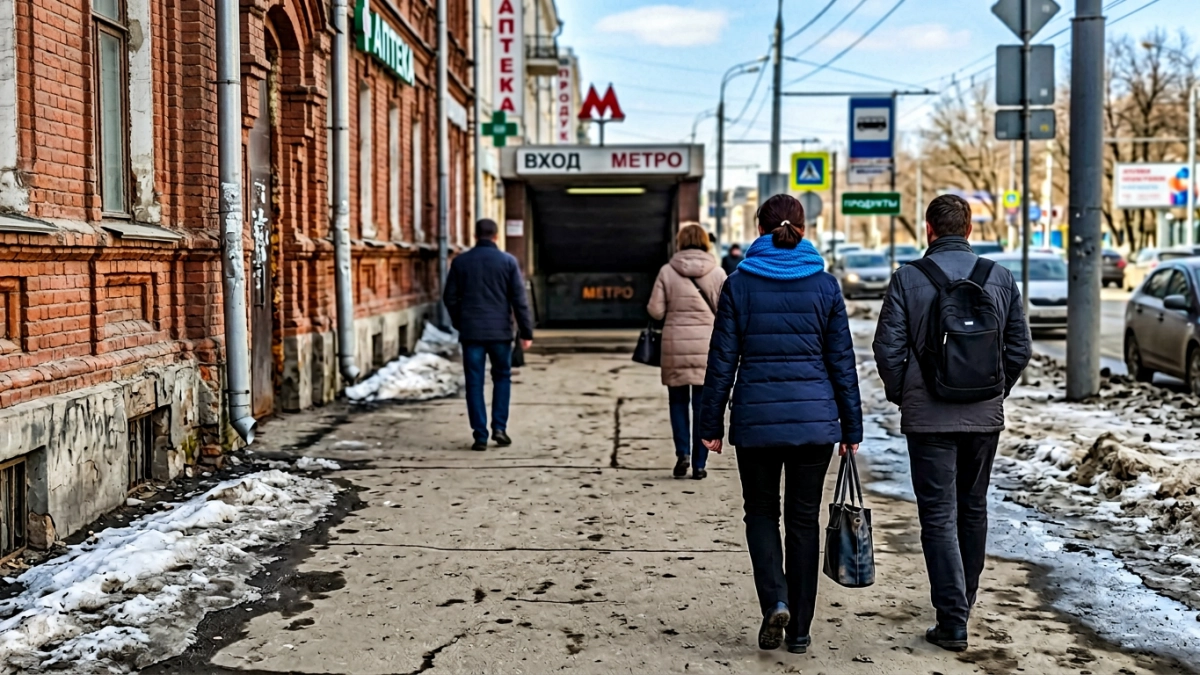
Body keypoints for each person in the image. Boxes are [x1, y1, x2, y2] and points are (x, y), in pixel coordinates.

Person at [700, 194, 862, 654]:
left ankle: (775, 600)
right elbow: (842, 362)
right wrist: (851, 427)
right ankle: (801, 630)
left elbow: (722, 361)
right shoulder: (825, 286)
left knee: (761, 514)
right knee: (803, 521)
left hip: (758, 423)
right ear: (803, 229)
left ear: (759, 229)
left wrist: (710, 423)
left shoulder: (739, 284)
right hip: (814, 424)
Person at [872, 194, 1031, 652]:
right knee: (973, 507)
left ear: (929, 229)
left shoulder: (908, 279)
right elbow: (1019, 348)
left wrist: (906, 393)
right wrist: (993, 390)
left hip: (929, 420)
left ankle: (952, 618)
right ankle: (966, 599)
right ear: (970, 228)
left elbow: (887, 349)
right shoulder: (999, 277)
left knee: (938, 515)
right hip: (984, 418)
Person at [443, 218, 535, 452]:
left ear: (475, 236)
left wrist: (461, 322)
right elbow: (519, 300)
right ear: (496, 236)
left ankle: (480, 435)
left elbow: (449, 297)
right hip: (500, 333)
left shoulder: (461, 262)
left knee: (474, 382)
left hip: (472, 333)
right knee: (502, 377)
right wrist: (526, 332)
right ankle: (499, 428)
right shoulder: (508, 262)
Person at [647, 223, 727, 480]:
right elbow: (726, 311)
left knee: (678, 402)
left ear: (680, 242)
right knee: (703, 406)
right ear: (705, 242)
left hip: (675, 345)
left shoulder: (667, 271)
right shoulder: (717, 273)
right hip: (706, 346)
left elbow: (656, 311)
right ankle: (699, 464)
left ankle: (682, 453)